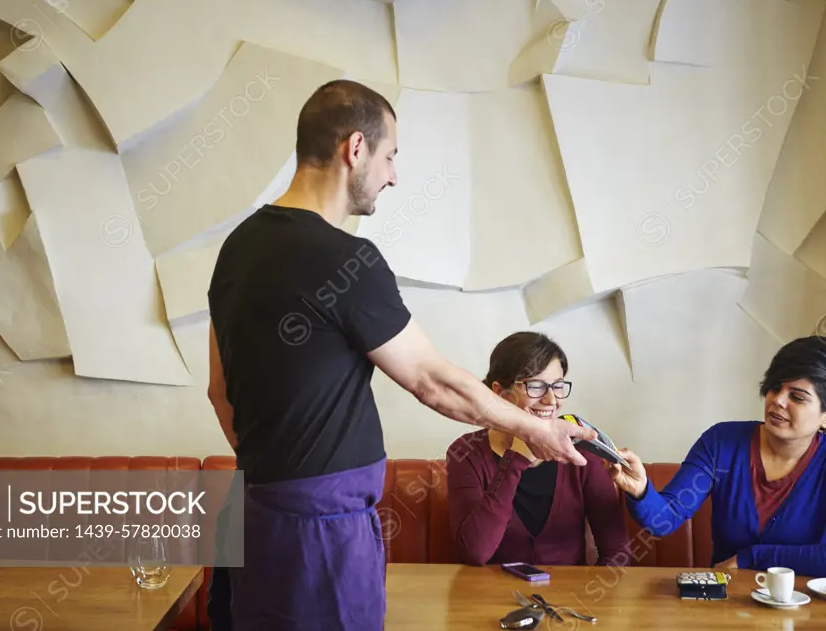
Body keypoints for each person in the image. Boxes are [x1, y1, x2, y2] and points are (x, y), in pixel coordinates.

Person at [204, 80, 596, 631]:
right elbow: (433, 381)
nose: (393, 175)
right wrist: (535, 431)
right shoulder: (347, 259)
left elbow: (218, 392)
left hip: (253, 514)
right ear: (355, 148)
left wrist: (276, 476)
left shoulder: (236, 248)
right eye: (390, 156)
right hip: (323, 532)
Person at [607, 336, 826, 579]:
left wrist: (752, 558)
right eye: (775, 387)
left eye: (797, 396)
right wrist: (641, 490)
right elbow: (664, 519)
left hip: (804, 607)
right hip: (727, 599)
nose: (778, 401)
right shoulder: (722, 442)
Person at [446, 332, 631, 567]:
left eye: (558, 386)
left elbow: (617, 552)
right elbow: (474, 553)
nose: (551, 400)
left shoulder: (583, 452)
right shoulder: (466, 453)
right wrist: (517, 458)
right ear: (498, 391)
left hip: (568, 601)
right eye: (535, 386)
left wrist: (589, 601)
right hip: (488, 600)